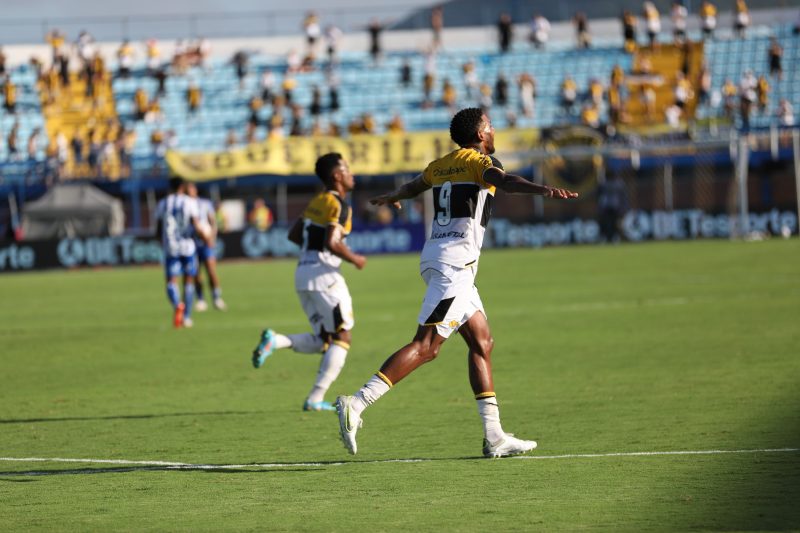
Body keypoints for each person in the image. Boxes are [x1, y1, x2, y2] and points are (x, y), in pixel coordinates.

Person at [334, 108, 578, 457]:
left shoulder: (442, 164)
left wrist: (394, 197)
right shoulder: (479, 163)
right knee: (428, 346)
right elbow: (505, 181)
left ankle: (494, 436)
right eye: (490, 126)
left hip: (441, 259)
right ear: (480, 135)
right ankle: (356, 403)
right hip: (455, 268)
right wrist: (543, 189)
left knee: (482, 341)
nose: (494, 131)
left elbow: (415, 185)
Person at [252, 153, 367, 412]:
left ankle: (275, 341)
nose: (352, 174)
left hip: (303, 274)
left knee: (325, 340)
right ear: (337, 176)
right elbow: (332, 242)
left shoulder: (317, 201)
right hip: (325, 276)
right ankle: (315, 398)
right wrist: (355, 258)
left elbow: (294, 234)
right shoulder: (340, 205)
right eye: (347, 169)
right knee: (342, 337)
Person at [155, 177, 210, 329]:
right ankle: (186, 317)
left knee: (171, 281)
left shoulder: (163, 203)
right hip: (188, 246)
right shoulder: (189, 202)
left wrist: (161, 242)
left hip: (171, 247)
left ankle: (178, 304)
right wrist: (206, 237)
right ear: (182, 187)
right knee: (188, 281)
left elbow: (158, 228)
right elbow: (196, 224)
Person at [185, 182, 226, 312]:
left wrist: (212, 237)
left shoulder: (205, 203)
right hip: (191, 242)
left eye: (191, 189)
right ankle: (201, 299)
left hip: (205, 242)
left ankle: (217, 297)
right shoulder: (184, 204)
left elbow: (212, 221)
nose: (189, 191)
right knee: (196, 273)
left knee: (211, 269)